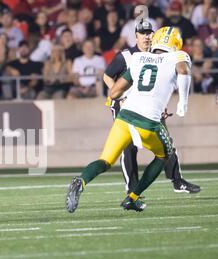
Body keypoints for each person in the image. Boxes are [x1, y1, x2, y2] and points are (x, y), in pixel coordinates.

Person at [66, 26, 193, 213]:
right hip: (148, 122)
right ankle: (132, 197)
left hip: (124, 117)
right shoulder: (178, 56)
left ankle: (81, 180)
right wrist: (183, 103)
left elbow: (114, 92)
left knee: (105, 160)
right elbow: (183, 71)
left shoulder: (138, 58)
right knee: (164, 155)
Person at [103, 19, 200, 194]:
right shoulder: (126, 56)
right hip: (126, 105)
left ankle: (177, 180)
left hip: (149, 106)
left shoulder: (158, 54)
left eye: (149, 33)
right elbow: (107, 76)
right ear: (136, 36)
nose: (147, 37)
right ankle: (132, 188)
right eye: (143, 33)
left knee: (165, 141)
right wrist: (121, 97)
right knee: (128, 147)